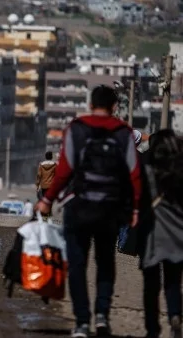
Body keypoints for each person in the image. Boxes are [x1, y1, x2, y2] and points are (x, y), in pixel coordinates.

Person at [36, 85, 142, 338]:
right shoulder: (124, 132)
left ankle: (82, 322)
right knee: (105, 262)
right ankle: (103, 316)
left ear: (91, 104)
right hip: (110, 209)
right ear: (115, 106)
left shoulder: (77, 129)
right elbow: (134, 174)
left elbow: (64, 170)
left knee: (77, 264)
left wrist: (48, 199)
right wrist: (136, 207)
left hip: (79, 207)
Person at [137, 130, 183, 338]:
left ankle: (152, 328)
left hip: (152, 231)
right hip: (177, 232)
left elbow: (138, 198)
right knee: (173, 281)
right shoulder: (180, 167)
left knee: (151, 284)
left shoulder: (146, 165)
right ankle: (175, 315)